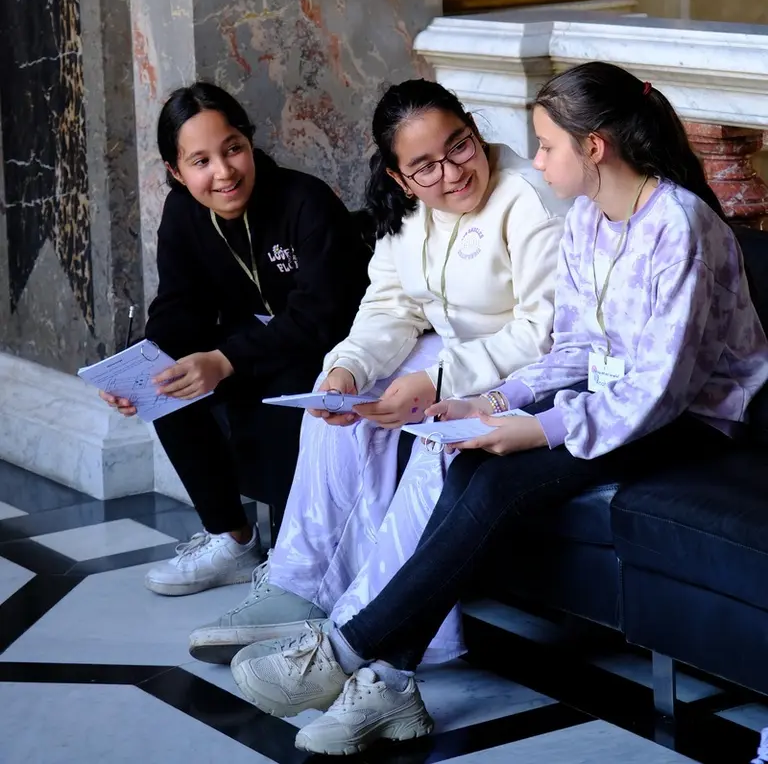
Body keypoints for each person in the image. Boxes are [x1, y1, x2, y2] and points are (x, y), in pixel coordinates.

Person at [230, 61, 768, 757]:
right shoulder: (590, 222)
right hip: (613, 402)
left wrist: (537, 427)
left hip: (695, 420)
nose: (535, 161)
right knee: (466, 462)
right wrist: (488, 403)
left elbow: (659, 390)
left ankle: (346, 648)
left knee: (505, 478)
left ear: (593, 147)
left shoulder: (680, 226)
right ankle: (392, 682)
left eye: (545, 145)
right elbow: (572, 348)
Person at [187, 77, 568, 665]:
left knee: (438, 442)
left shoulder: (529, 200)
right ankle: (298, 585)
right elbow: (391, 308)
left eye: (459, 146)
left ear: (474, 129)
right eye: (425, 167)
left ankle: (374, 624)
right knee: (340, 396)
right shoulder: (410, 210)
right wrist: (345, 367)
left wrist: (437, 381)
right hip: (454, 355)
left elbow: (541, 334)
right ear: (398, 177)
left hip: (525, 371)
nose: (451, 173)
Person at [100, 82, 370, 596]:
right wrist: (139, 369)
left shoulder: (304, 201)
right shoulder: (183, 212)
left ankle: (299, 559)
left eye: (232, 149)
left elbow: (321, 317)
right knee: (167, 383)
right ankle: (233, 539)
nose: (223, 172)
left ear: (249, 142)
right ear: (176, 173)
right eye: (200, 161)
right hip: (252, 345)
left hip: (335, 349)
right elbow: (179, 304)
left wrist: (224, 360)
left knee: (289, 384)